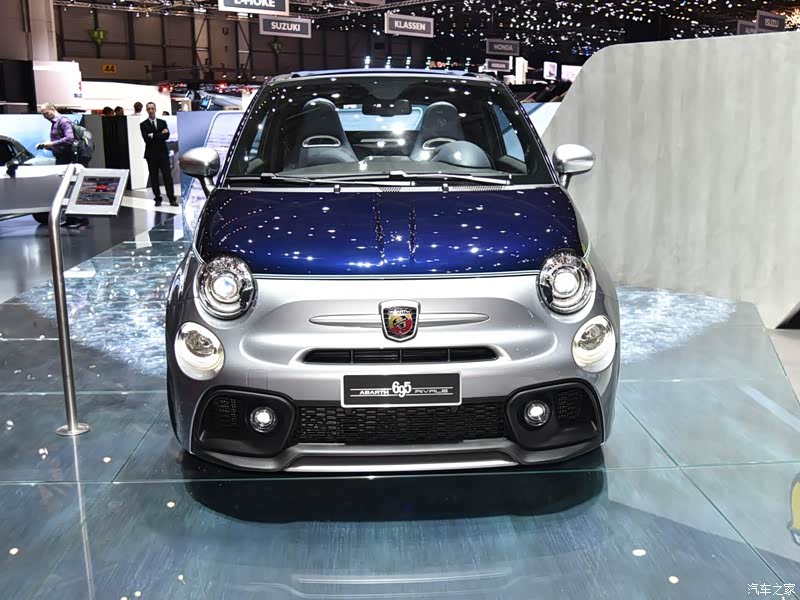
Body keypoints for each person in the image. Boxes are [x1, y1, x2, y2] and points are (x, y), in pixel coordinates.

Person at [37, 102, 89, 227]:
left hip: (68, 160)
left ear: (52, 109)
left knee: (72, 188)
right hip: (62, 159)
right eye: (43, 115)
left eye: (46, 113)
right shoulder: (55, 123)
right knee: (66, 189)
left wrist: (51, 144)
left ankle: (81, 218)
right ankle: (71, 218)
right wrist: (49, 146)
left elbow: (69, 139)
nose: (45, 116)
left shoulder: (63, 121)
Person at [140, 101, 177, 207]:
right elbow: (146, 139)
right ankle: (157, 198)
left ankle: (171, 199)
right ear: (146, 110)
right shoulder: (143, 125)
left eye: (152, 108)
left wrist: (153, 135)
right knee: (154, 177)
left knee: (167, 177)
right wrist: (160, 134)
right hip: (151, 155)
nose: (151, 110)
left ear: (155, 109)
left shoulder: (162, 122)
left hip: (163, 154)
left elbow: (166, 136)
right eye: (149, 109)